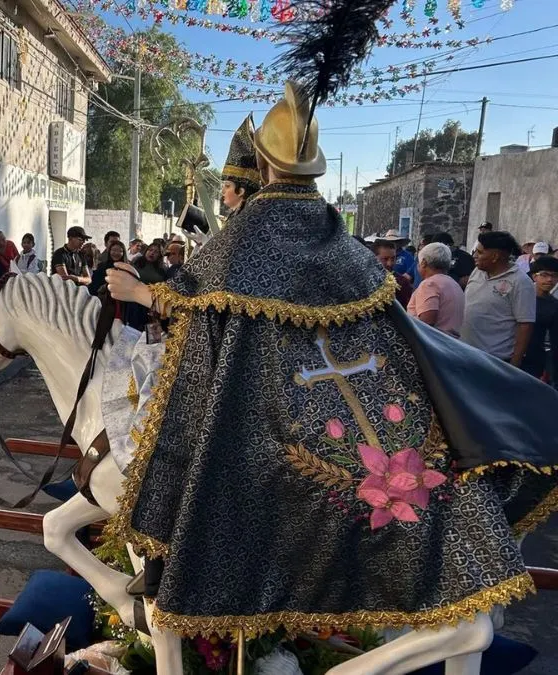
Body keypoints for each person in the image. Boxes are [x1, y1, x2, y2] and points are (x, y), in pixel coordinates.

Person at [104, 77, 558, 648]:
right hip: (350, 399)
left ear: (263, 165)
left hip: (261, 407)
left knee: (210, 469)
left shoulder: (249, 230)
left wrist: (140, 291)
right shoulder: (334, 230)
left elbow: (198, 301)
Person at [462, 230, 535, 367]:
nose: (475, 255)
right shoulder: (477, 271)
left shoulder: (520, 282)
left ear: (495, 256)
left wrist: (515, 363)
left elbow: (525, 324)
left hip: (494, 361)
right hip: (465, 353)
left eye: (480, 252)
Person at [407, 242, 464, 337]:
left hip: (433, 342)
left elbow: (426, 323)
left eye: (418, 262)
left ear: (423, 263)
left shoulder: (429, 284)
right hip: (450, 341)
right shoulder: (453, 284)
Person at [522, 255, 558, 382]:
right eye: (544, 275)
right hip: (508, 353)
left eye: (554, 276)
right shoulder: (521, 296)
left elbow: (555, 342)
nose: (549, 279)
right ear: (534, 276)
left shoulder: (554, 305)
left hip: (534, 360)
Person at [220, 114, 261, 217]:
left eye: (227, 186)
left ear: (241, 191)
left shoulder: (247, 218)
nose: (222, 191)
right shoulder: (238, 215)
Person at [372, 240, 414, 307]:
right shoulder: (364, 281)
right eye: (385, 259)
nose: (390, 263)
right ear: (373, 258)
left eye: (393, 258)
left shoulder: (402, 282)